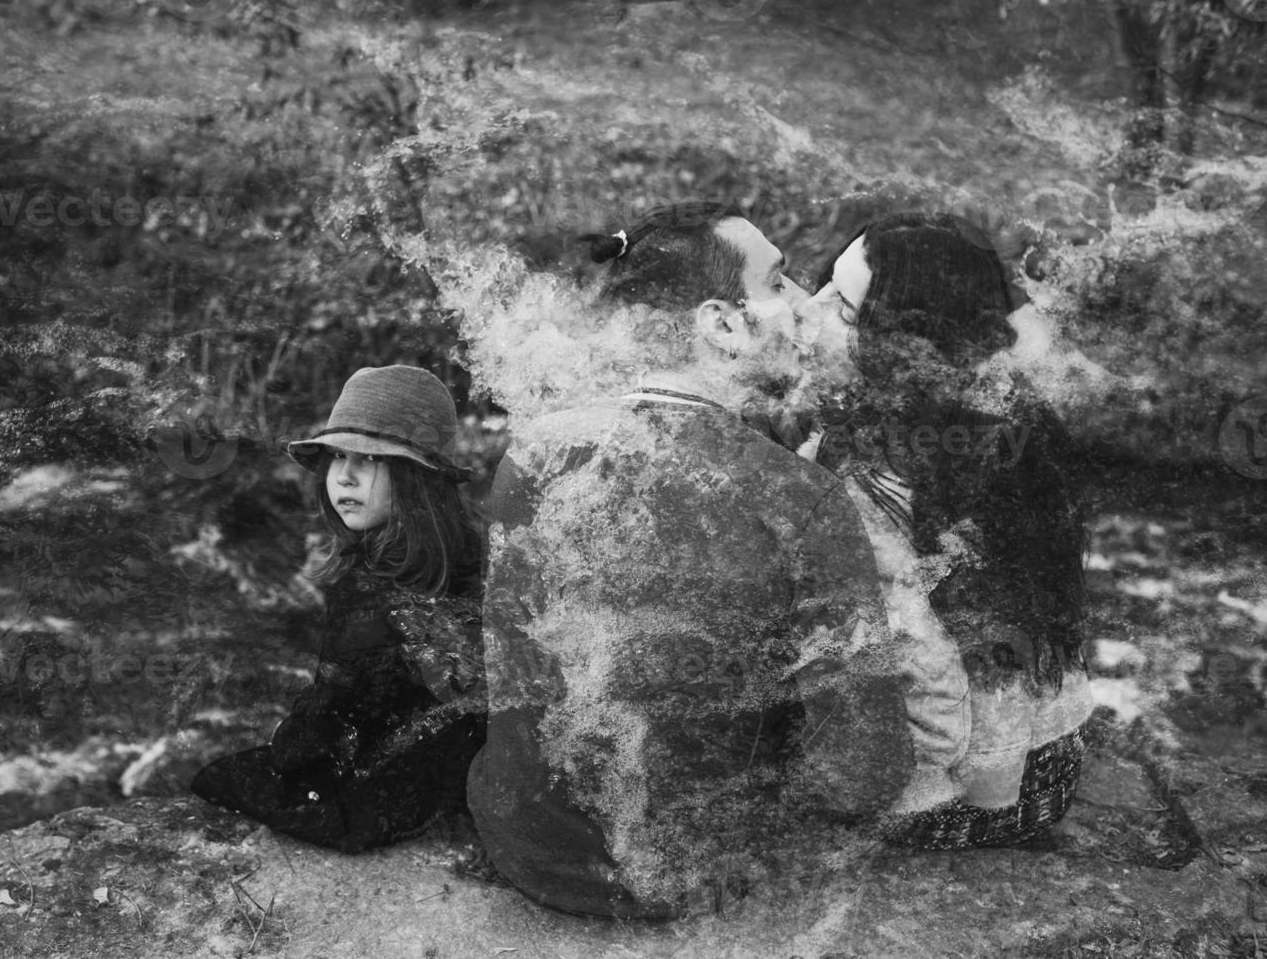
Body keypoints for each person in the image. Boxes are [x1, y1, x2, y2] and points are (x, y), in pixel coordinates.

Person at [467, 203, 914, 919]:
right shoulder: (802, 499)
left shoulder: (536, 449)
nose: (802, 305)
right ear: (722, 324)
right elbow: (864, 775)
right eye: (779, 282)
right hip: (685, 872)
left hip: (524, 841)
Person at [791, 211, 1092, 849]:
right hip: (1052, 759)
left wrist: (902, 792)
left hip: (968, 793)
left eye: (842, 307)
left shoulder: (877, 478)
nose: (808, 307)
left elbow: (923, 671)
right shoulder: (1003, 412)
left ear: (902, 341)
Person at [190, 365, 486, 853]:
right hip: (470, 763)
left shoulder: (367, 586)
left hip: (410, 787)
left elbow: (335, 708)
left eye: (369, 459)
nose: (343, 476)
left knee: (225, 778)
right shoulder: (468, 551)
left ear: (416, 476)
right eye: (337, 456)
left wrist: (298, 766)